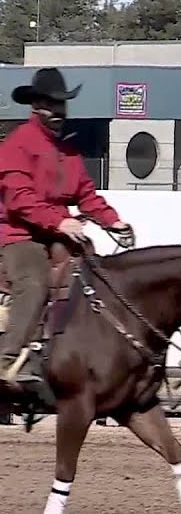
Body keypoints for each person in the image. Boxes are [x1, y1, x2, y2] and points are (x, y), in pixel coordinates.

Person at [0, 67, 134, 384]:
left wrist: (113, 220)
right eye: (50, 104)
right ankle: (7, 361)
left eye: (61, 104)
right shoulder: (17, 145)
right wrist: (59, 220)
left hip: (57, 234)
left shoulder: (68, 151)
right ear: (35, 106)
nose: (58, 111)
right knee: (33, 282)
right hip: (18, 235)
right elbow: (20, 199)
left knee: (95, 276)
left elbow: (86, 195)